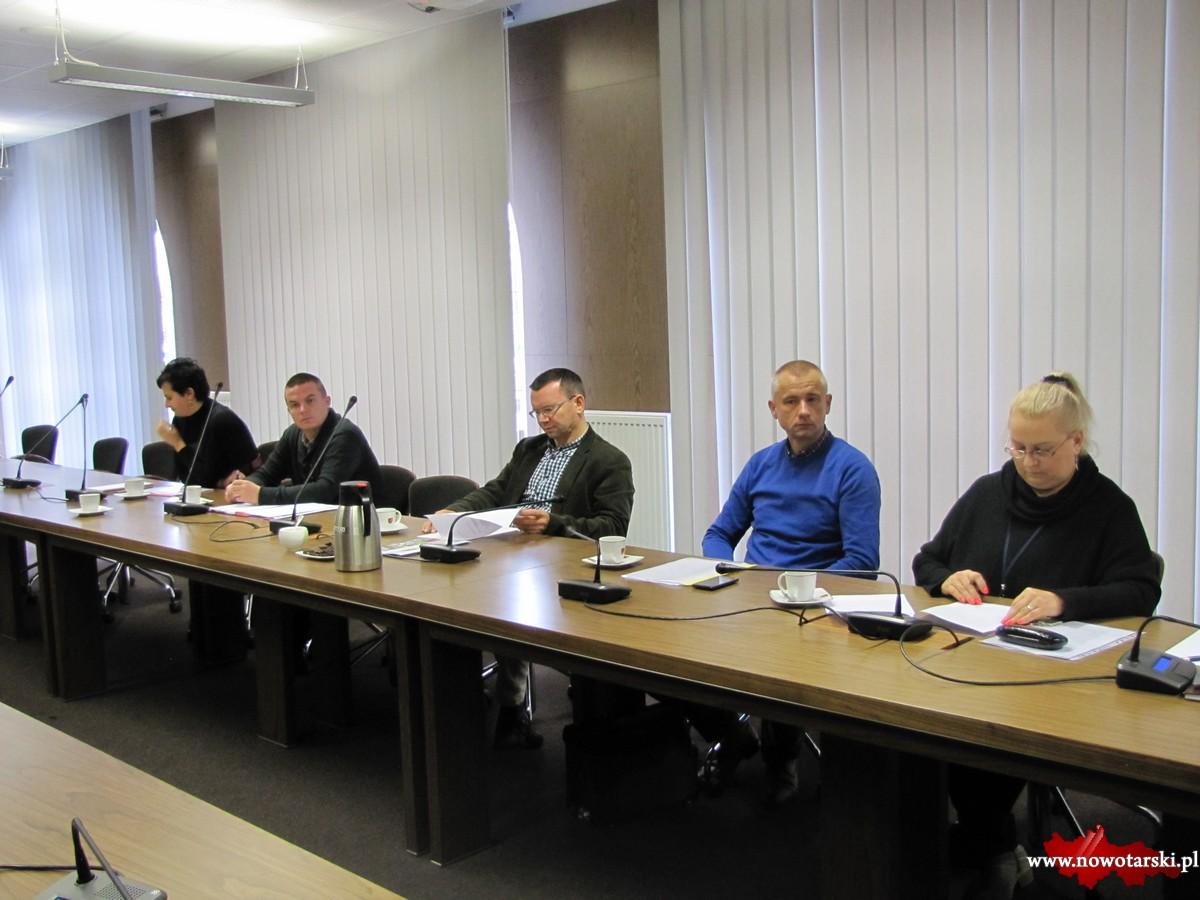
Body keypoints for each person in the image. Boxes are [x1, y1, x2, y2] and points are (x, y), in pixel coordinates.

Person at [913, 372, 1160, 899]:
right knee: (921, 729)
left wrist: (1064, 600)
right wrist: (947, 578)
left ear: (1076, 442)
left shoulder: (1109, 507)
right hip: (975, 663)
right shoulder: (987, 493)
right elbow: (927, 560)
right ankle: (978, 846)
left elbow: (1141, 589)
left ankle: (987, 848)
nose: (1028, 462)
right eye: (1018, 447)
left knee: (982, 740)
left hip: (1058, 682)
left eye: (1042, 450)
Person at [701, 359, 882, 805]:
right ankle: (733, 735)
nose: (803, 410)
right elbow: (719, 534)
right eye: (791, 401)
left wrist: (803, 590)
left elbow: (862, 563)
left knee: (779, 662)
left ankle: (780, 761)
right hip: (752, 597)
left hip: (813, 608)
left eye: (812, 400)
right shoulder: (761, 465)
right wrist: (730, 572)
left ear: (828, 404)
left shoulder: (852, 469)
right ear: (774, 410)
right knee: (679, 654)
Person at [428, 368, 634, 749]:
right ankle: (477, 705)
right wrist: (454, 511)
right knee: (463, 599)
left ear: (578, 403)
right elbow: (495, 491)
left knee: (511, 608)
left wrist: (553, 523)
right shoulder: (529, 450)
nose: (542, 420)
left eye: (549, 410)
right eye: (536, 412)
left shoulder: (608, 461)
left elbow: (612, 525)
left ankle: (513, 707)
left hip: (563, 564)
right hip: (512, 554)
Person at [224, 373, 381, 505]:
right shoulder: (293, 434)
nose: (303, 410)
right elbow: (267, 474)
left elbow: (325, 491)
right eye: (294, 405)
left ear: (327, 402)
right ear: (289, 411)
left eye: (310, 401)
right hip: (314, 520)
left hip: (359, 522)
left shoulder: (345, 435)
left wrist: (260, 495)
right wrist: (242, 487)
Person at [155, 358, 258, 489]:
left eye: (169, 398)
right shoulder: (180, 420)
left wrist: (178, 444)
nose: (166, 404)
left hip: (236, 494)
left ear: (189, 394)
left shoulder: (220, 420)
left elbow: (204, 479)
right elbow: (187, 477)